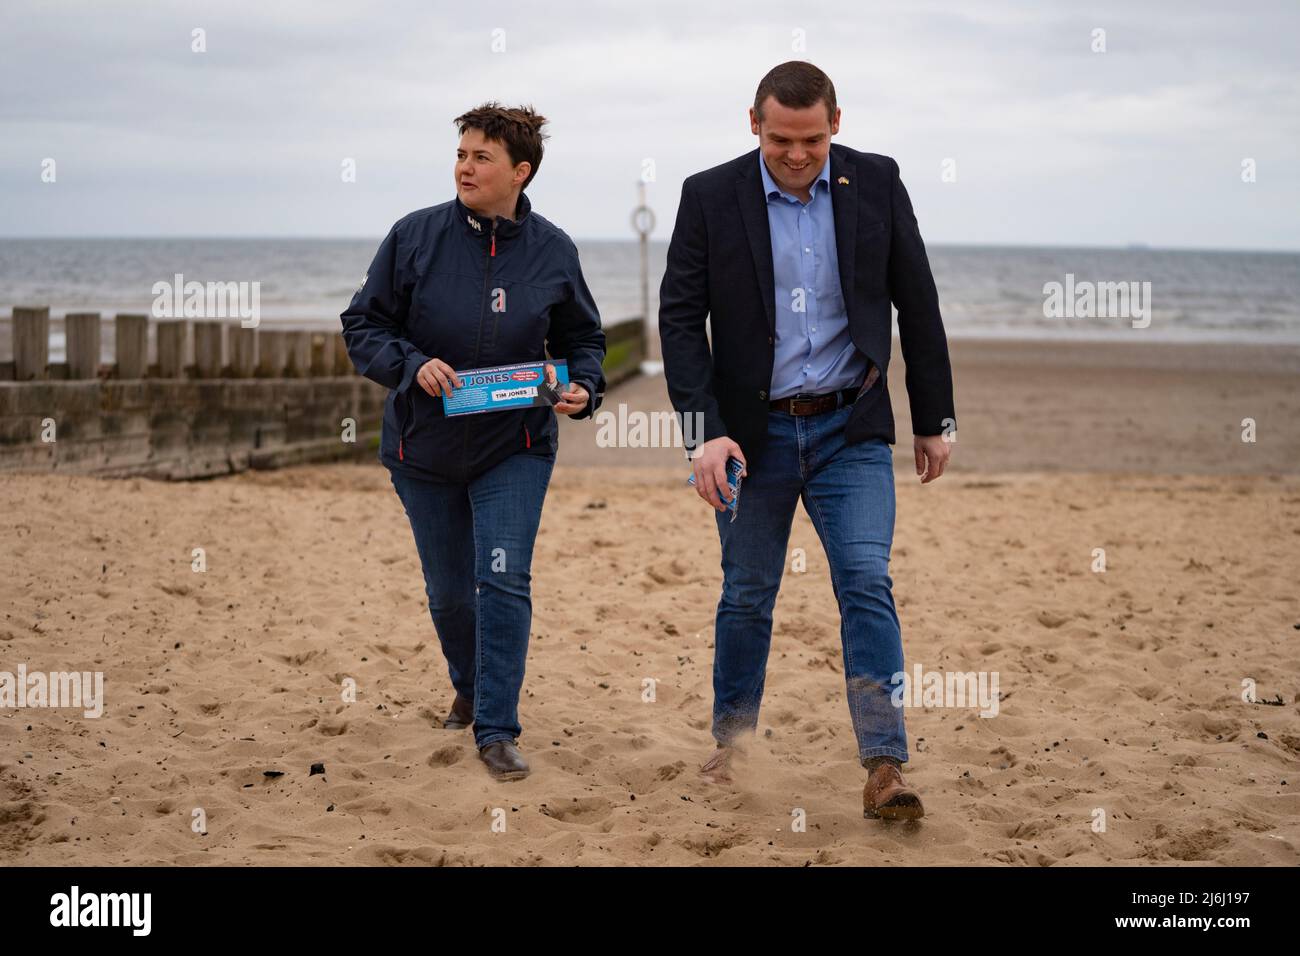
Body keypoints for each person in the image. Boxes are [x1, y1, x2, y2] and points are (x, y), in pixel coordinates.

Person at [658, 61, 955, 819]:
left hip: (849, 423)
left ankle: (885, 765)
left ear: (837, 124)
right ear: (752, 123)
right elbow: (680, 321)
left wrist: (934, 418)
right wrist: (704, 434)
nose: (797, 155)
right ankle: (734, 748)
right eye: (781, 139)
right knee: (749, 593)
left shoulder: (878, 182)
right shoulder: (708, 195)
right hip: (750, 436)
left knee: (865, 581)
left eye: (813, 140)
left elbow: (916, 303)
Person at [341, 102, 606, 780]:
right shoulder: (414, 237)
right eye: (461, 154)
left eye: (481, 157)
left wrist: (585, 386)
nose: (465, 166)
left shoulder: (553, 250)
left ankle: (496, 728)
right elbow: (363, 325)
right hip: (422, 447)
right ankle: (468, 681)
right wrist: (409, 364)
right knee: (451, 593)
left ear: (519, 172)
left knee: (503, 578)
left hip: (512, 444)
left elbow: (582, 340)